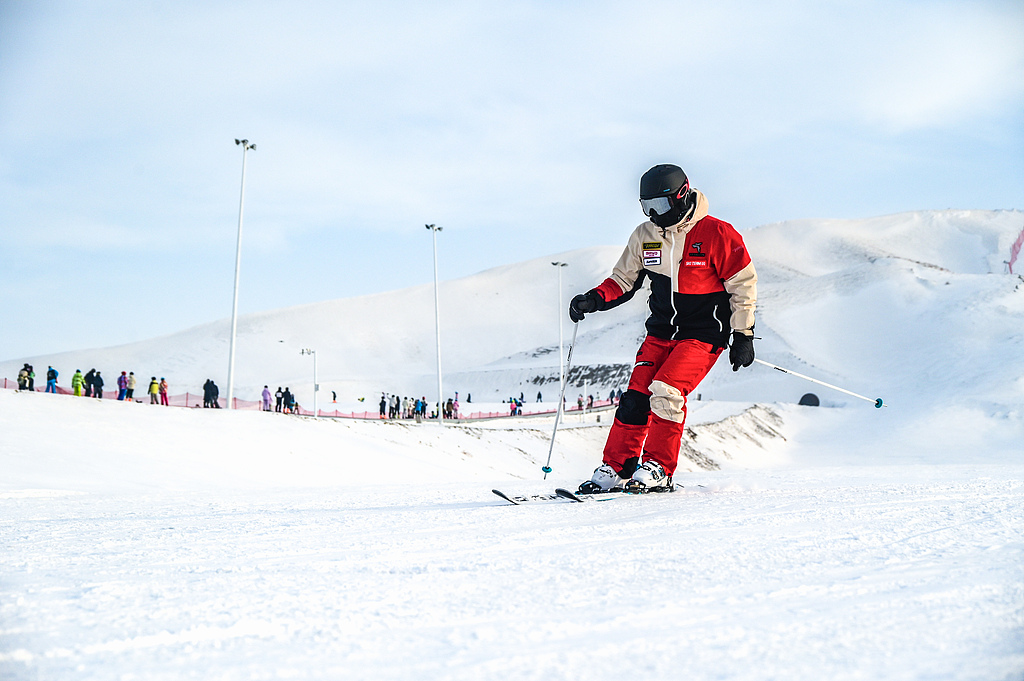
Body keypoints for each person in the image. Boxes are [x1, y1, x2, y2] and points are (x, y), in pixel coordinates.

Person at [569, 164, 756, 494]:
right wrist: (593, 299)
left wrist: (743, 335)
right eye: (648, 207)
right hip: (659, 334)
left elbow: (742, 285)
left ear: (682, 197)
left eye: (662, 206)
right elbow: (623, 280)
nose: (655, 215)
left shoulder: (717, 234)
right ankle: (617, 468)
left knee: (666, 391)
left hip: (701, 335)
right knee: (635, 398)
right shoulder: (646, 235)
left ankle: (658, 467)